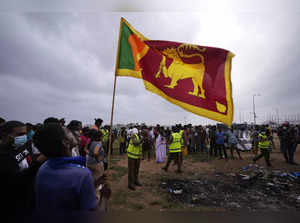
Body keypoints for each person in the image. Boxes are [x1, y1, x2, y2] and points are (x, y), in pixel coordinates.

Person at [33, 123, 103, 211]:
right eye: (68, 132)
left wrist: (95, 183)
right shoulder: (82, 175)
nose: (73, 133)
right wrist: (104, 197)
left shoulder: (43, 168)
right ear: (65, 142)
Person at [0, 121, 46, 217]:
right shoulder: (3, 156)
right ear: (5, 135)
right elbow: (17, 180)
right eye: (20, 134)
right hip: (12, 207)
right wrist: (38, 162)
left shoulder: (19, 148)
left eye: (25, 134)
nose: (24, 137)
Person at [86, 129, 105, 200]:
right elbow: (95, 152)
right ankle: (98, 197)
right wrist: (98, 159)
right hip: (96, 164)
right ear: (99, 137)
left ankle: (91, 195)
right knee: (99, 180)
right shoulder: (98, 143)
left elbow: (87, 150)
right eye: (102, 136)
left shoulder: (92, 142)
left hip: (89, 163)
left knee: (93, 180)